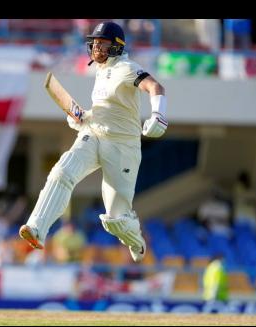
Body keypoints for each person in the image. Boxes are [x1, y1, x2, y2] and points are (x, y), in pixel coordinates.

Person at [19, 21, 168, 262]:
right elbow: (106, 110)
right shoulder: (100, 71)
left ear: (117, 47)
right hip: (94, 135)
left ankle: (134, 238)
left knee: (116, 219)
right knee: (61, 172)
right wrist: (84, 117)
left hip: (122, 146)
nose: (97, 48)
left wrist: (158, 114)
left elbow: (156, 86)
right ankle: (36, 228)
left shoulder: (127, 68)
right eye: (95, 44)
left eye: (103, 44)